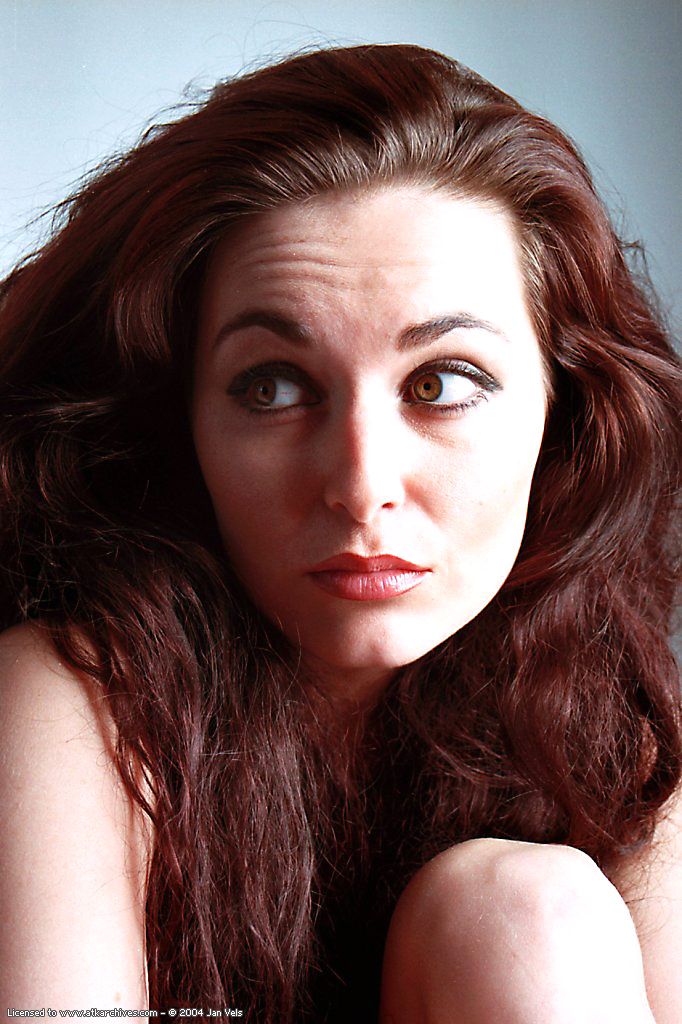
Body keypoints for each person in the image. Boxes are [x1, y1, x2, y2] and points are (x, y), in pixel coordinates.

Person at [0, 43, 680, 1024]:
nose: (361, 489)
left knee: (526, 912)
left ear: (563, 411)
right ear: (178, 423)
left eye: (441, 382)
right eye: (272, 388)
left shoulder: (616, 733)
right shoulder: (77, 701)